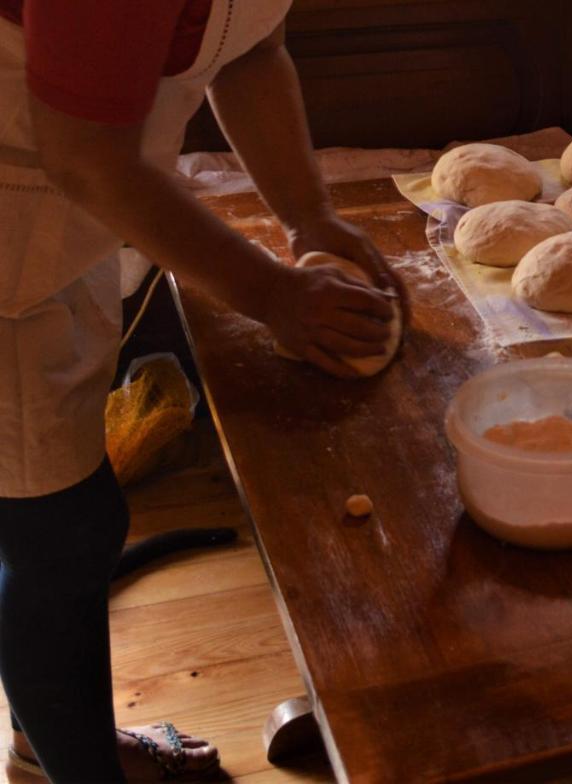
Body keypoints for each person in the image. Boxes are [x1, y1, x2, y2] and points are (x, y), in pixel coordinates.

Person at [0, 1, 402, 780]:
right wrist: (270, 295)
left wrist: (310, 217)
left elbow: (250, 51)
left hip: (63, 201)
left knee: (45, 521)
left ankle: (37, 739)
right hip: (22, 206)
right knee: (58, 533)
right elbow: (85, 154)